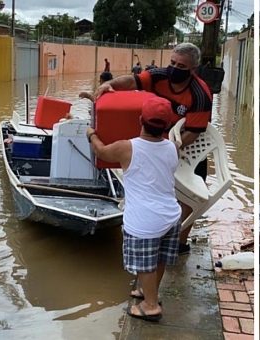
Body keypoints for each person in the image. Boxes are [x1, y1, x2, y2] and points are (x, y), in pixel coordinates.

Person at [95, 43, 212, 255]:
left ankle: (180, 242)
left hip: (188, 146)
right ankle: (157, 233)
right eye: (172, 63)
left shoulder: (200, 94)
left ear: (193, 69)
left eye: (181, 66)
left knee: (189, 197)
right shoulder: (159, 75)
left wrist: (171, 148)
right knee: (159, 189)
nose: (174, 68)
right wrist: (110, 84)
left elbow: (194, 131)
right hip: (158, 138)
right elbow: (133, 81)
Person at [86, 96, 182, 322]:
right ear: (167, 126)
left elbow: (100, 151)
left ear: (140, 119)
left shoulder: (126, 148)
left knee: (145, 264)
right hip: (171, 216)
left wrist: (91, 133)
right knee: (158, 259)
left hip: (144, 221)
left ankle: (150, 305)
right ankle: (150, 294)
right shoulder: (174, 148)